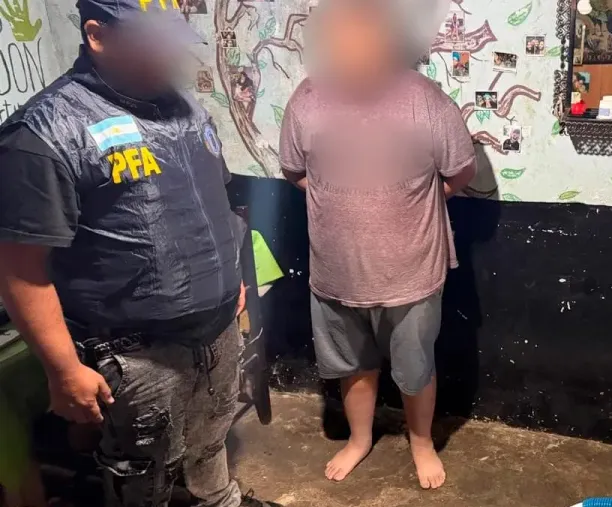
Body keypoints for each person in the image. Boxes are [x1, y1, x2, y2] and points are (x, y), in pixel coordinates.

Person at [0, 0, 282, 505]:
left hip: (217, 328)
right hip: (136, 354)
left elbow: (215, 203)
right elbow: (20, 270)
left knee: (211, 437)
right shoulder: (44, 133)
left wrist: (234, 279)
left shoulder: (184, 107)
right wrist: (64, 370)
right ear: (98, 35)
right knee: (143, 469)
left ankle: (219, 499)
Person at [280, 0, 476, 490]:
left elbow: (460, 172)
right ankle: (359, 438)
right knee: (352, 366)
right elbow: (295, 170)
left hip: (412, 271)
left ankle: (421, 442)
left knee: (415, 368)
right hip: (335, 272)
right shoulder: (306, 99)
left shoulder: (426, 100)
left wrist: (404, 201)